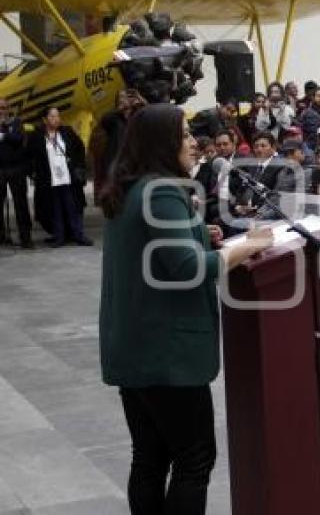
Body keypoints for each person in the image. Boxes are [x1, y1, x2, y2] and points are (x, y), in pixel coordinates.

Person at [98, 103, 274, 514]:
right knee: (194, 460)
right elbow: (191, 268)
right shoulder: (162, 191)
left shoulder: (132, 186)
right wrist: (250, 245)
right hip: (166, 354)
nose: (196, 143)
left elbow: (156, 250)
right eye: (185, 134)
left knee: (150, 457)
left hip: (134, 345)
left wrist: (198, 230)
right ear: (161, 143)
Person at [27, 107, 92, 247]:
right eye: (52, 116)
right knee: (54, 208)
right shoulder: (37, 136)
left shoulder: (66, 131)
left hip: (68, 178)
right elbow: (30, 156)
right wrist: (33, 172)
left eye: (57, 116)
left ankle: (78, 235)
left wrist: (78, 166)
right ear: (44, 119)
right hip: (49, 179)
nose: (56, 119)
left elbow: (80, 147)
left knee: (73, 206)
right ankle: (59, 236)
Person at [0, 98, 32, 247]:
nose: (2, 111)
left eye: (5, 108)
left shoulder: (16, 122)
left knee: (21, 204)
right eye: (0, 108)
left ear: (9, 109)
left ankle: (25, 237)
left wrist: (5, 134)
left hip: (16, 168)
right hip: (0, 169)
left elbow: (19, 139)